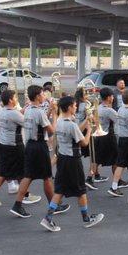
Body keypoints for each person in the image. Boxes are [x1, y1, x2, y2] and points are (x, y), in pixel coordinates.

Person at [40, 96, 104, 232]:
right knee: (81, 190)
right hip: (73, 161)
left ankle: (48, 218)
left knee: (60, 190)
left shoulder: (61, 121)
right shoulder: (71, 124)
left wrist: (86, 121)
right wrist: (90, 131)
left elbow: (74, 133)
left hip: (63, 158)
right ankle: (86, 219)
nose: (76, 107)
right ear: (69, 107)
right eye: (74, 106)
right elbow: (84, 142)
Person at [9, 85, 69, 218]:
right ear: (37, 96)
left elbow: (41, 121)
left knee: (28, 176)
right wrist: (54, 113)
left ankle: (17, 205)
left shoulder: (28, 109)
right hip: (39, 146)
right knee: (47, 176)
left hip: (30, 145)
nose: (44, 96)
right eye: (42, 94)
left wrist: (48, 112)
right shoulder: (39, 111)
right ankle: (53, 205)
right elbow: (52, 130)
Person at [0, 90, 41, 207]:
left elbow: (16, 116)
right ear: (10, 100)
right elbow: (28, 124)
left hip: (4, 143)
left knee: (6, 171)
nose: (16, 99)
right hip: (14, 145)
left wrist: (24, 109)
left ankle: (22, 195)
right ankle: (23, 196)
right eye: (15, 97)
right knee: (20, 171)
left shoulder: (3, 110)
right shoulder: (14, 114)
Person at [90, 87, 121, 186]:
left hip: (99, 135)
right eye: (112, 96)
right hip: (107, 136)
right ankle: (118, 181)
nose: (113, 98)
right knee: (116, 159)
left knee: (97, 159)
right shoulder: (109, 110)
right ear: (108, 98)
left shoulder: (98, 107)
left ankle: (90, 177)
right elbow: (119, 120)